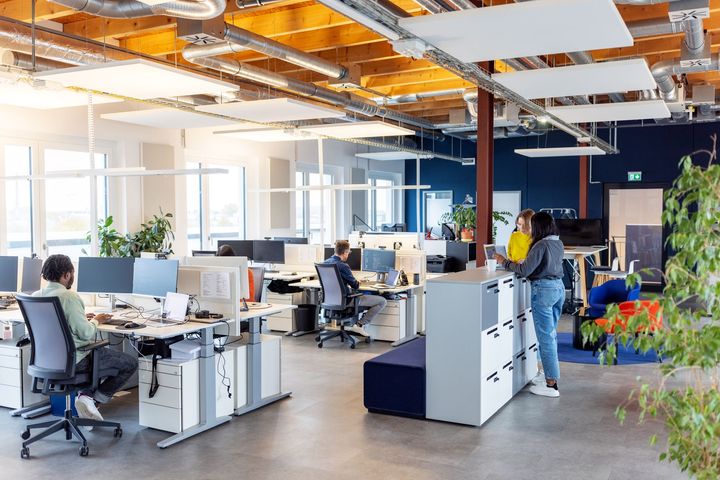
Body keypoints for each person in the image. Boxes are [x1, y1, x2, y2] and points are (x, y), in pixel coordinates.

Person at [33, 254, 138, 421]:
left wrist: (80, 317)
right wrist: (97, 320)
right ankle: (90, 398)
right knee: (130, 363)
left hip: (47, 362)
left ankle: (86, 401)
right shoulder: (69, 297)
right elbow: (86, 333)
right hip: (77, 361)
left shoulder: (35, 296)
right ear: (67, 274)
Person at [495, 212, 564, 398]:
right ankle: (549, 376)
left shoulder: (541, 244)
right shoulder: (557, 242)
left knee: (545, 338)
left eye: (532, 225)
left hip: (543, 291)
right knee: (550, 335)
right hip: (558, 288)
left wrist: (504, 262)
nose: (528, 229)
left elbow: (524, 271)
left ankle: (551, 384)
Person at [323, 240, 386, 336]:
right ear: (344, 253)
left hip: (330, 300)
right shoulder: (343, 266)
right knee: (382, 301)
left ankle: (355, 326)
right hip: (347, 301)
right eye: (348, 253)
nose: (348, 255)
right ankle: (359, 325)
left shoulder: (324, 263)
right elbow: (355, 285)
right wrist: (358, 282)